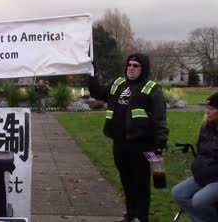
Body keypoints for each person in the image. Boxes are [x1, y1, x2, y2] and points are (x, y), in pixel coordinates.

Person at [88, 53, 169, 222]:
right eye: (129, 65)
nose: (131, 68)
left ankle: (141, 217)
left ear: (143, 68)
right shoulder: (118, 83)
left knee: (141, 184)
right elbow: (97, 92)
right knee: (126, 181)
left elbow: (159, 118)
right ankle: (130, 214)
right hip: (119, 143)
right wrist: (92, 73)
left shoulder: (151, 89)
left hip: (141, 144)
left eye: (135, 66)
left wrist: (160, 143)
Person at [171, 93, 218, 222]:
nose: (207, 112)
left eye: (212, 109)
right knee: (178, 193)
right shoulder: (207, 127)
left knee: (199, 200)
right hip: (204, 175)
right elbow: (202, 150)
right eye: (206, 108)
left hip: (215, 177)